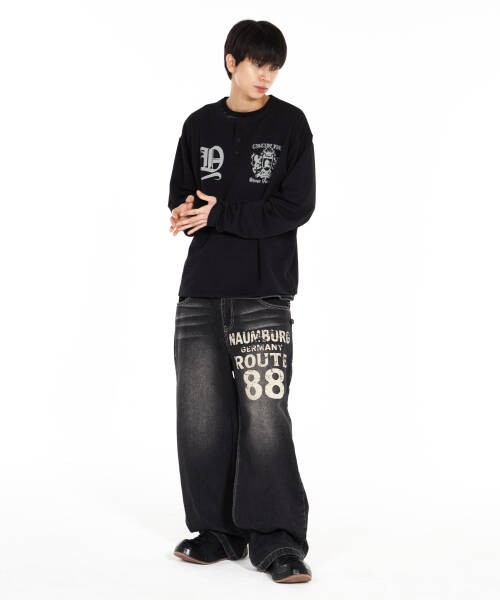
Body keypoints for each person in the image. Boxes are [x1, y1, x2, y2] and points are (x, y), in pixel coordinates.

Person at [168, 19, 315, 584]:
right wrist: (183, 213)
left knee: (264, 418)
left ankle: (278, 541)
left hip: (262, 293)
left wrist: (220, 214)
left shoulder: (290, 124)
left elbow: (296, 206)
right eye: (258, 64)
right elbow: (183, 194)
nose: (266, 76)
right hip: (200, 292)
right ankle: (217, 532)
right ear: (232, 61)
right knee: (200, 419)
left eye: (275, 66)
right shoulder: (198, 124)